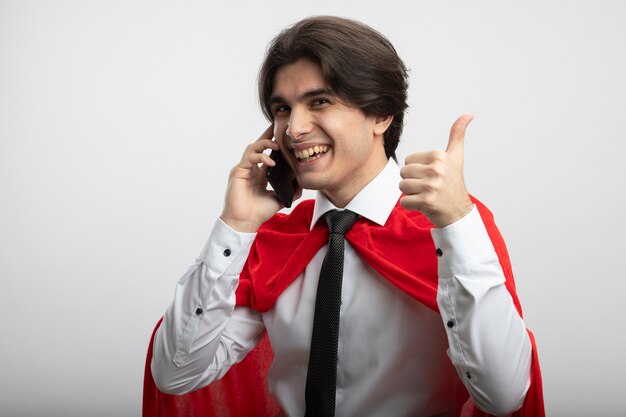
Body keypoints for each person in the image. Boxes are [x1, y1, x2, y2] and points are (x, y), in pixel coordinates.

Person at [145, 16, 544, 417]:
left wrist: (458, 222)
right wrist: (237, 224)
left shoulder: (449, 229)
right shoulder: (276, 240)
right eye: (282, 109)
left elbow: (504, 396)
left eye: (319, 101)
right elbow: (175, 374)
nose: (294, 129)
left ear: (381, 114)